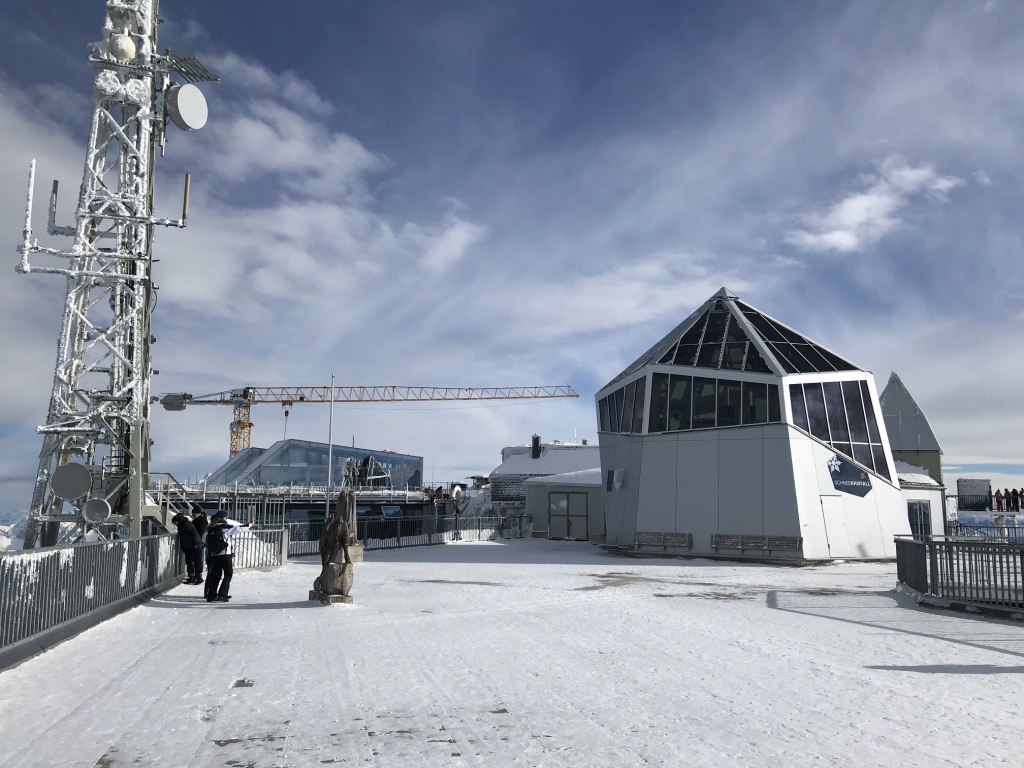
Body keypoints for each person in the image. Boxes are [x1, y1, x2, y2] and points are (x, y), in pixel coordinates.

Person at [204, 512, 251, 603]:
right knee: (228, 574)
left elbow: (203, 540)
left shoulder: (209, 528)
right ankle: (222, 594)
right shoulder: (225, 527)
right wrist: (250, 524)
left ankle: (211, 595)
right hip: (225, 555)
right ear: (223, 518)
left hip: (214, 556)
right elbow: (239, 528)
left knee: (215, 576)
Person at [171, 512, 203, 584]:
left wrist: (196, 544)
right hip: (189, 546)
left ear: (178, 521)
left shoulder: (186, 524)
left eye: (174, 522)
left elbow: (193, 534)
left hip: (194, 546)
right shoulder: (183, 525)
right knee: (190, 562)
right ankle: (192, 577)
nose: (174, 524)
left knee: (196, 561)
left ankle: (198, 577)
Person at [190, 505, 209, 583]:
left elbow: (201, 533)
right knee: (197, 559)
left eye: (193, 514)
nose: (193, 515)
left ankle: (199, 576)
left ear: (196, 513)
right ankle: (197, 576)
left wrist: (198, 542)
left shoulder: (200, 521)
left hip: (198, 543)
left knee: (197, 559)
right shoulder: (201, 520)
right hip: (198, 542)